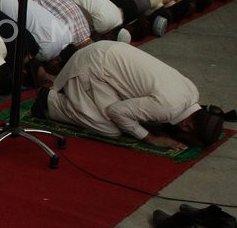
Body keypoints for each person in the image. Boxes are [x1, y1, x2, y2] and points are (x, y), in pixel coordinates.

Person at [35, 41, 224, 150]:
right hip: (91, 66)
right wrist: (150, 137)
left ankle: (78, 95)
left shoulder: (192, 91)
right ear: (187, 125)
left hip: (107, 55)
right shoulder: (167, 108)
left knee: (125, 118)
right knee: (109, 128)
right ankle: (50, 102)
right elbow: (118, 112)